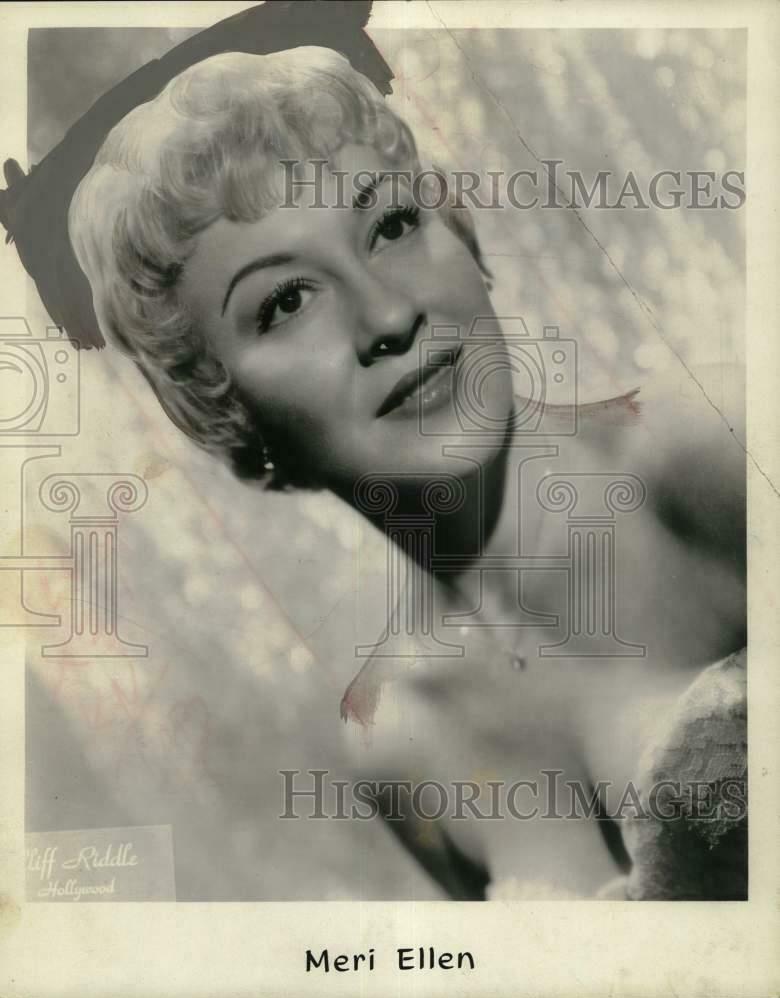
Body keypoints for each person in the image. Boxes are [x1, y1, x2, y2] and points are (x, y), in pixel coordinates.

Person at [68, 47, 747, 900]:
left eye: (390, 225)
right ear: (224, 409)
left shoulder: (709, 455)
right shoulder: (397, 736)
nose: (388, 314)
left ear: (459, 235)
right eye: (287, 301)